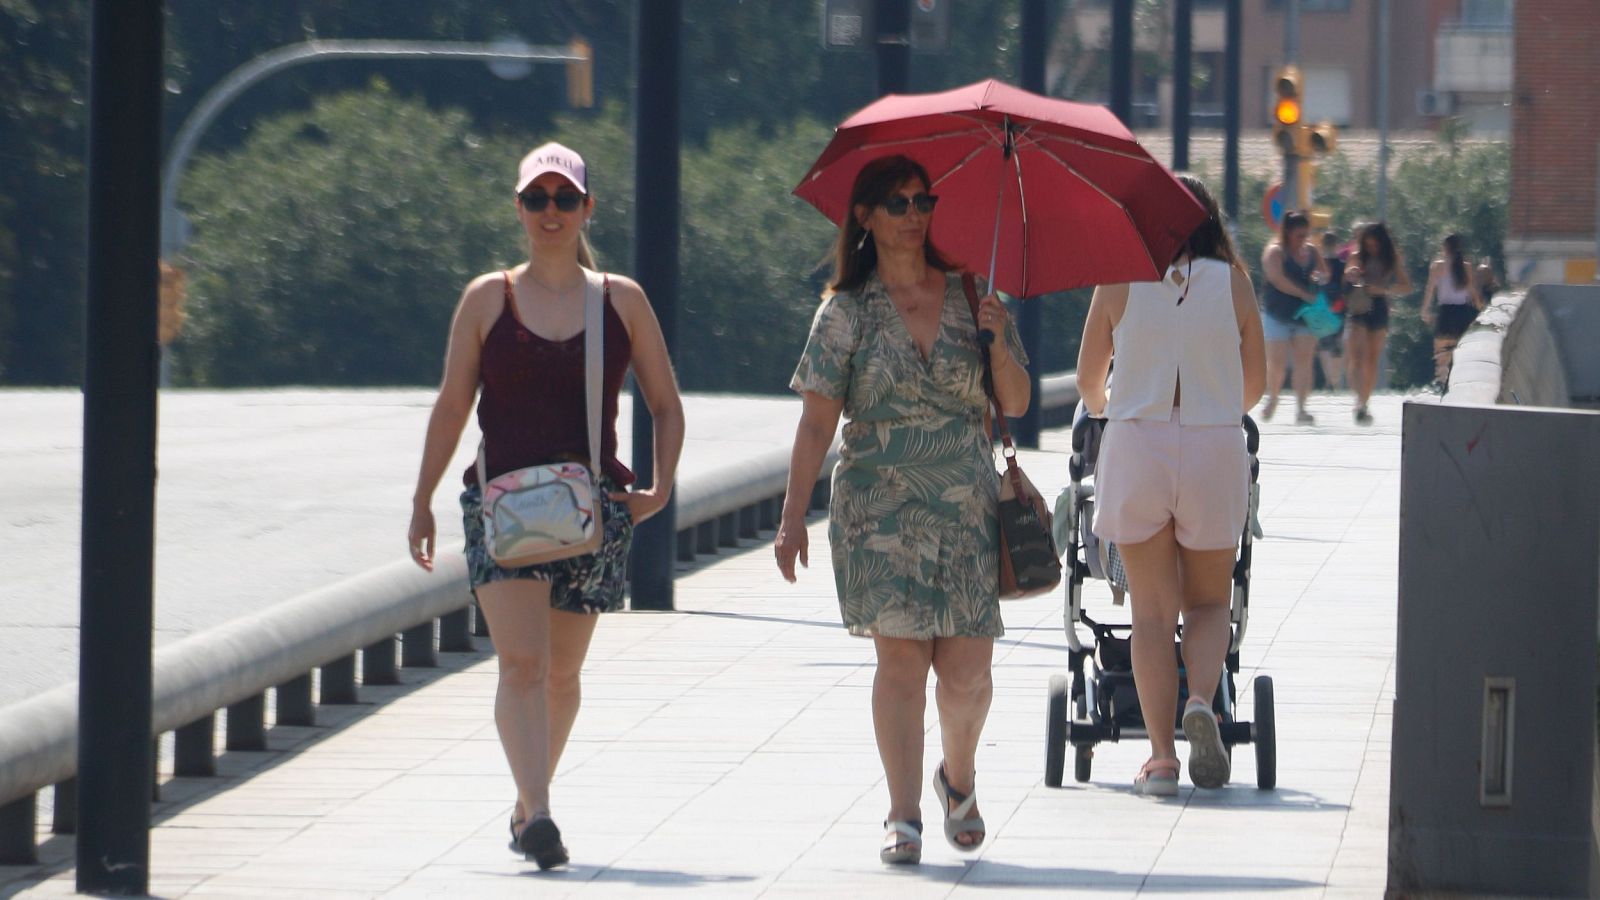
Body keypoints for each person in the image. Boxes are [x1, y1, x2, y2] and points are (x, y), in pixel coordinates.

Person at [407, 142, 685, 869]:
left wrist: (659, 488)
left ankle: (528, 801)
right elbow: (450, 406)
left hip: (593, 513)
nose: (552, 213)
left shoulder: (619, 300)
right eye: (538, 200)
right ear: (520, 208)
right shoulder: (485, 299)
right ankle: (541, 817)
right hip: (499, 508)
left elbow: (666, 402)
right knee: (521, 665)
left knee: (562, 674)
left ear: (587, 208)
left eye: (566, 200)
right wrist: (422, 499)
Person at [776, 154, 1029, 865]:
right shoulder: (846, 311)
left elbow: (1015, 403)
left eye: (924, 200)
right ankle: (903, 813)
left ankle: (959, 776)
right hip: (877, 509)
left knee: (967, 672)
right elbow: (816, 425)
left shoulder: (971, 294)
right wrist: (792, 516)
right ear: (865, 218)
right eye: (898, 203)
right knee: (901, 665)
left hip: (964, 503)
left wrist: (998, 338)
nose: (914, 215)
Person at [1076, 175, 1265, 795]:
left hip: (1137, 443)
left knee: (1151, 616)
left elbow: (1087, 384)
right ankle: (1202, 701)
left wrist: (1118, 403)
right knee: (1209, 603)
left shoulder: (1117, 278)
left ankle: (1160, 761)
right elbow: (1255, 388)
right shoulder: (1234, 285)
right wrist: (1210, 407)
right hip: (1212, 444)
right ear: (1209, 222)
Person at [1258, 210, 1328, 425]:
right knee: (1277, 363)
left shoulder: (1312, 252)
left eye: (1306, 234)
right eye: (1299, 235)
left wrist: (1319, 276)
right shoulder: (1275, 252)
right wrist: (1305, 293)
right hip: (1277, 314)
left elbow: (1325, 273)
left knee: (1304, 363)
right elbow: (1277, 279)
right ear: (1287, 232)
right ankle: (1274, 397)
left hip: (1305, 317)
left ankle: (1301, 409)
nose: (1303, 239)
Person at [1342, 222, 1412, 425]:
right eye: (1368, 245)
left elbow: (1407, 286)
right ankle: (1358, 399)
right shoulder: (1356, 255)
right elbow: (1345, 278)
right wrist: (1351, 274)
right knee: (1356, 356)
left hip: (1379, 306)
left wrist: (1384, 289)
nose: (1372, 248)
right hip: (1359, 304)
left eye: (1375, 245)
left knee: (1372, 357)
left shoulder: (1392, 258)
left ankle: (1365, 402)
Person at [1419, 233, 1485, 388]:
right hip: (1462, 313)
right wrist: (1479, 306)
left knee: (1441, 350)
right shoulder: (1466, 266)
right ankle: (1458, 382)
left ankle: (1442, 381)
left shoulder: (1438, 266)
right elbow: (1471, 290)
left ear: (1444, 247)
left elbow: (1430, 289)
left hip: (1445, 312)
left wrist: (1425, 310)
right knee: (1460, 349)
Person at [1315, 230, 1349, 392]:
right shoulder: (1342, 265)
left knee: (1324, 344)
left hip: (1322, 305)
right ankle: (1333, 380)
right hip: (1338, 305)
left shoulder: (1317, 263)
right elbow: (1345, 287)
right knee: (1335, 344)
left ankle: (1330, 380)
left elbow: (1314, 285)